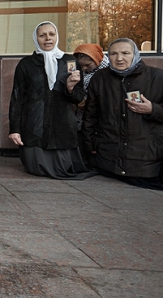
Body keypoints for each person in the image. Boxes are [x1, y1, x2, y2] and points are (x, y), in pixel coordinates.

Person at [8, 21, 95, 180]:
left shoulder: (69, 61)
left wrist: (70, 87)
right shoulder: (26, 64)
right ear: (36, 38)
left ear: (57, 36)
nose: (47, 38)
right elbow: (17, 97)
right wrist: (15, 129)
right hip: (34, 124)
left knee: (64, 167)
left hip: (62, 125)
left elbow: (78, 98)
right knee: (36, 169)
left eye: (51, 34)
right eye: (42, 35)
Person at [83, 38, 163, 189]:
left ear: (135, 55)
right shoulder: (100, 78)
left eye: (125, 53)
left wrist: (153, 109)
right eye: (114, 53)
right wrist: (90, 145)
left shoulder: (158, 78)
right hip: (107, 163)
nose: (119, 58)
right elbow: (90, 116)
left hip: (146, 164)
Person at [72, 43, 109, 164]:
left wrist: (89, 102)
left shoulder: (108, 72)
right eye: (81, 66)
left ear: (96, 58)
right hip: (82, 116)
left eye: (87, 65)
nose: (84, 69)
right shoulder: (80, 73)